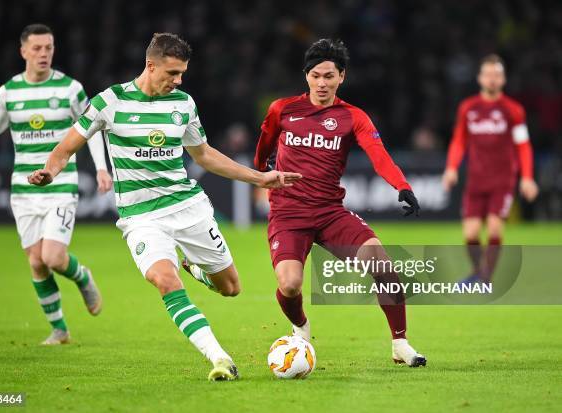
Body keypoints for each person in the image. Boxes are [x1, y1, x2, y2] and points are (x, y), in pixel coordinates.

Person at [27, 32, 301, 381]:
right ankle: (220, 359)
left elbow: (204, 155)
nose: (179, 80)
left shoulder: (183, 104)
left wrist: (259, 178)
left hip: (188, 207)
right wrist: (50, 171)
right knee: (164, 280)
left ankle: (192, 266)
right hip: (141, 218)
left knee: (231, 288)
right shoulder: (109, 102)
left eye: (182, 73)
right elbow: (67, 147)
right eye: (172, 73)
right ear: (150, 65)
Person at [254, 38, 426, 367]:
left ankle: (400, 343)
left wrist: (402, 186)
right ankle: (301, 326)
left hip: (330, 212)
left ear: (341, 77)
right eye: (316, 75)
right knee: (289, 285)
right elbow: (263, 149)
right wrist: (260, 174)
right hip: (288, 213)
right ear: (306, 76)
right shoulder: (282, 109)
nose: (322, 83)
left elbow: (379, 155)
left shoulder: (352, 116)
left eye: (329, 76)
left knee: (383, 266)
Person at [0, 24, 113, 345]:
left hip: (60, 184)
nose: (44, 54)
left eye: (48, 47)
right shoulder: (9, 92)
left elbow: (91, 128)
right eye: (37, 48)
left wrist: (102, 168)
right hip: (23, 189)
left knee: (54, 258)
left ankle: (82, 276)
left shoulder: (70, 89)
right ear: (23, 52)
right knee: (36, 261)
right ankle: (59, 330)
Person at [442, 54, 538, 284]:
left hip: (502, 180)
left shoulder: (513, 110)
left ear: (503, 79)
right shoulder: (468, 108)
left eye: (497, 75)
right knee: (471, 234)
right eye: (488, 75)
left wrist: (527, 177)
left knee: (495, 229)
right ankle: (478, 273)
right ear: (480, 78)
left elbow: (523, 145)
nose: (492, 79)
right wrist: (451, 168)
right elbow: (459, 141)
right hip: (476, 180)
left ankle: (485, 279)